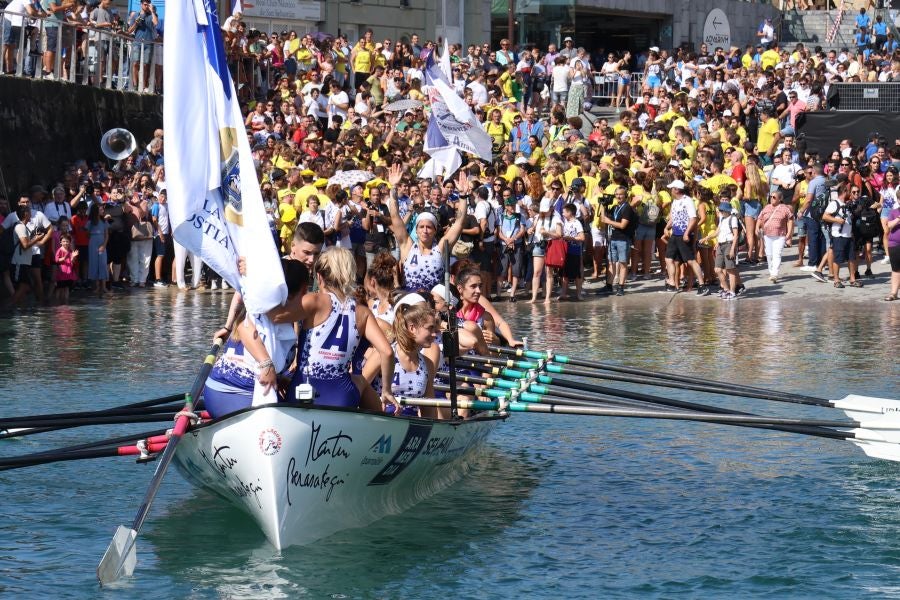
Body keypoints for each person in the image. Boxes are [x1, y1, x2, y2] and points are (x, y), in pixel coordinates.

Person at [277, 247, 396, 411]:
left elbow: (276, 317)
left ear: (319, 276)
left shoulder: (314, 300)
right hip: (341, 395)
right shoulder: (363, 312)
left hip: (304, 389)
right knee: (359, 380)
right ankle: (381, 423)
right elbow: (387, 352)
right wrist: (387, 389)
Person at [203, 260, 309, 419]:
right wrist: (267, 365)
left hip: (214, 390)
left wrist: (279, 377)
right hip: (237, 394)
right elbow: (244, 329)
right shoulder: (270, 312)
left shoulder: (262, 305)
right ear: (303, 290)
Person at [386, 165, 469, 292]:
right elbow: (394, 216)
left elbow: (459, 223)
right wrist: (393, 188)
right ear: (417, 229)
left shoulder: (441, 247)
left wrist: (463, 195)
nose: (425, 230)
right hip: (411, 303)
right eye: (422, 227)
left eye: (429, 227)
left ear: (435, 230)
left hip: (433, 303)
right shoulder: (407, 246)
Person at [663, 180, 710, 296]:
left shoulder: (687, 201)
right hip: (675, 234)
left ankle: (702, 284)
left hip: (684, 234)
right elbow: (673, 217)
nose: (671, 190)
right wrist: (666, 227)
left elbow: (693, 219)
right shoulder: (675, 201)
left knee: (690, 261)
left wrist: (687, 233)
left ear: (677, 190)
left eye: (672, 188)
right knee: (669, 259)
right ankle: (673, 283)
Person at [823, 183, 862, 289]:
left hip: (848, 236)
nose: (850, 193)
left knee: (851, 258)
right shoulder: (834, 203)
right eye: (849, 191)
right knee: (838, 259)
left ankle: (852, 279)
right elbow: (825, 216)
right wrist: (837, 220)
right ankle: (836, 279)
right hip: (838, 236)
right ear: (844, 192)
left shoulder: (847, 204)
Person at [599, 186, 636, 296]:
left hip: (623, 239)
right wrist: (602, 205)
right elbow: (603, 219)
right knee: (611, 263)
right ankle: (609, 286)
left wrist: (609, 221)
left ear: (625, 196)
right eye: (617, 194)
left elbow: (623, 225)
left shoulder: (627, 208)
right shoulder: (615, 207)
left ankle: (621, 287)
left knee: (623, 263)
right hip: (613, 238)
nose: (618, 196)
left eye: (621, 194)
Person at [528, 197, 562, 304]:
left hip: (551, 245)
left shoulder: (556, 218)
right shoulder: (538, 217)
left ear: (551, 208)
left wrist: (548, 233)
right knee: (536, 272)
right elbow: (532, 229)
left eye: (546, 210)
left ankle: (547, 298)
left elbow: (559, 234)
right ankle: (534, 297)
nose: (544, 212)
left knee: (549, 272)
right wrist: (529, 230)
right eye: (542, 210)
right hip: (539, 244)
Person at [756, 190, 794, 284]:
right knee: (769, 255)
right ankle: (771, 272)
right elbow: (760, 218)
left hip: (780, 235)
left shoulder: (784, 208)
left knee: (777, 254)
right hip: (767, 235)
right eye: (771, 197)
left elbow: (790, 220)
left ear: (780, 199)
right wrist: (757, 227)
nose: (771, 199)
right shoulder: (766, 207)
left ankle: (774, 274)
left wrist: (789, 233)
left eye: (774, 197)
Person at [559, 202, 585, 301]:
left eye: (564, 212)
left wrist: (571, 238)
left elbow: (582, 237)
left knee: (577, 274)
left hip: (574, 251)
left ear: (570, 212)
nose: (562, 214)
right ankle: (563, 293)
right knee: (564, 273)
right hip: (564, 251)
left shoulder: (577, 223)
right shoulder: (565, 222)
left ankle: (579, 294)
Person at [86, 202, 109, 298]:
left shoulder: (104, 222)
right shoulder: (90, 222)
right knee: (94, 264)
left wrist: (104, 245)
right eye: (101, 209)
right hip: (93, 244)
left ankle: (103, 286)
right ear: (95, 211)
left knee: (103, 264)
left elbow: (107, 235)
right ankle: (97, 286)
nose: (103, 211)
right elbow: (87, 234)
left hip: (102, 244)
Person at [54, 233, 78, 304]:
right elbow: (56, 260)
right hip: (61, 273)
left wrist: (73, 256)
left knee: (67, 288)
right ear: (60, 242)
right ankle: (57, 302)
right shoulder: (59, 250)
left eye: (67, 241)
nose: (65, 243)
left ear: (70, 242)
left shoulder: (70, 251)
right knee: (59, 288)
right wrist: (64, 257)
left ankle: (66, 302)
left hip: (69, 272)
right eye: (64, 241)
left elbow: (72, 262)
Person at [885, 203, 900, 301]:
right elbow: (889, 225)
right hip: (895, 244)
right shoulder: (894, 212)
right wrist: (898, 218)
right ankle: (894, 293)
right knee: (896, 269)